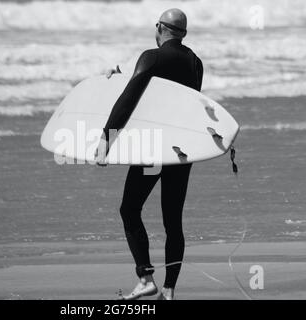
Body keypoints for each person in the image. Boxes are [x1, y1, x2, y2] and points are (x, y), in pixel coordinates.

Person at [95, 8, 203, 300]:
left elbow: (130, 98)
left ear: (159, 27)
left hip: (153, 150)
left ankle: (145, 277)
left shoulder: (151, 57)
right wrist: (121, 75)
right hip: (182, 150)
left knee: (129, 209)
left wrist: (107, 139)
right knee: (173, 221)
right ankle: (169, 290)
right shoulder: (195, 62)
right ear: (183, 33)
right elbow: (178, 100)